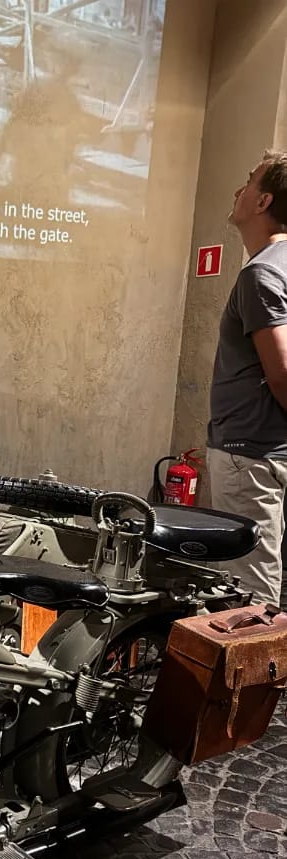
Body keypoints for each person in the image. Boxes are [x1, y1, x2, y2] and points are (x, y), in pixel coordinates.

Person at [207, 151, 287, 607]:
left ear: (264, 202)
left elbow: (282, 373)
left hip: (250, 454)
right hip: (265, 450)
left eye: (249, 181)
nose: (240, 190)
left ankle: (253, 680)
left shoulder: (263, 273)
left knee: (247, 595)